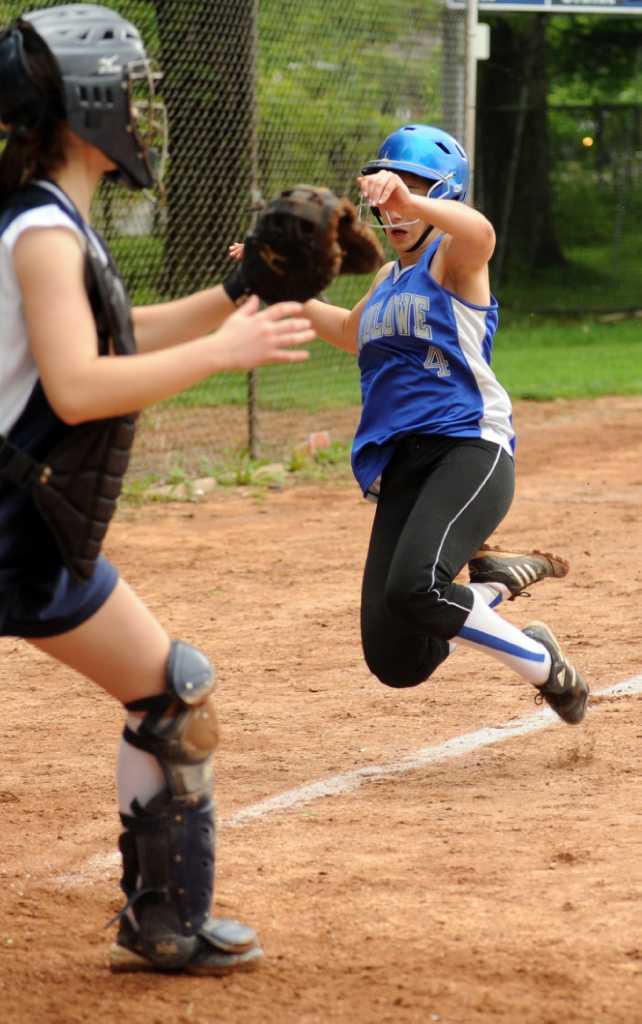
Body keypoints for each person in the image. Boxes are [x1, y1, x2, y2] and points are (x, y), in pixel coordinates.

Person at [0, 4, 315, 975]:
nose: (144, 109)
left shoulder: (53, 221)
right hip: (13, 524)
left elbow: (110, 334)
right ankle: (165, 918)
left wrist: (237, 296)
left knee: (173, 692)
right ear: (86, 103)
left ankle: (167, 920)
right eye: (130, 91)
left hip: (31, 525)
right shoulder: (43, 233)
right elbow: (79, 384)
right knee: (174, 693)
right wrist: (226, 354)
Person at [232, 123, 589, 724]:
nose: (395, 204)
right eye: (391, 188)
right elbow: (349, 332)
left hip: (468, 448)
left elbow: (482, 230)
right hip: (402, 463)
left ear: (443, 195)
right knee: (397, 659)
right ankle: (493, 585)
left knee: (414, 586)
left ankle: (547, 668)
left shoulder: (455, 256)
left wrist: (409, 198)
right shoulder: (386, 277)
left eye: (416, 187)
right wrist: (275, 288)